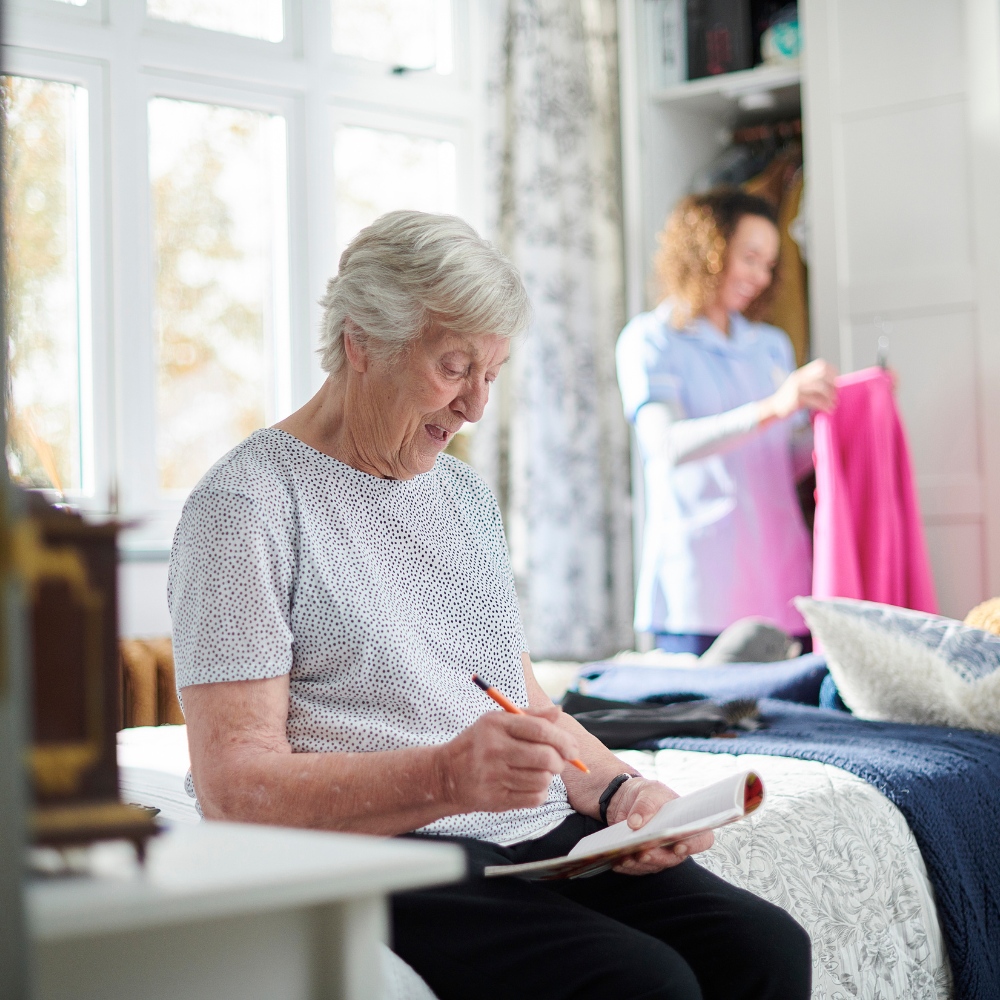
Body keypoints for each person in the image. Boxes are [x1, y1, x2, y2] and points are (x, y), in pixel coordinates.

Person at [170, 210, 811, 1000]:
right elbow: (236, 789)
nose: (475, 407)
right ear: (360, 342)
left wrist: (620, 791)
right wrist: (445, 775)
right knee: (645, 984)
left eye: (491, 375)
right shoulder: (245, 506)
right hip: (390, 848)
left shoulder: (465, 497)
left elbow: (525, 700)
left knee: (767, 948)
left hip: (536, 834)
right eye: (452, 368)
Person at [616, 189, 838, 655]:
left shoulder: (771, 346)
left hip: (779, 577)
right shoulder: (651, 341)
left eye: (769, 265)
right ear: (707, 251)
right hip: (699, 585)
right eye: (750, 258)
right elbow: (666, 445)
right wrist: (774, 407)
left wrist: (843, 421)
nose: (760, 276)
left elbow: (780, 461)